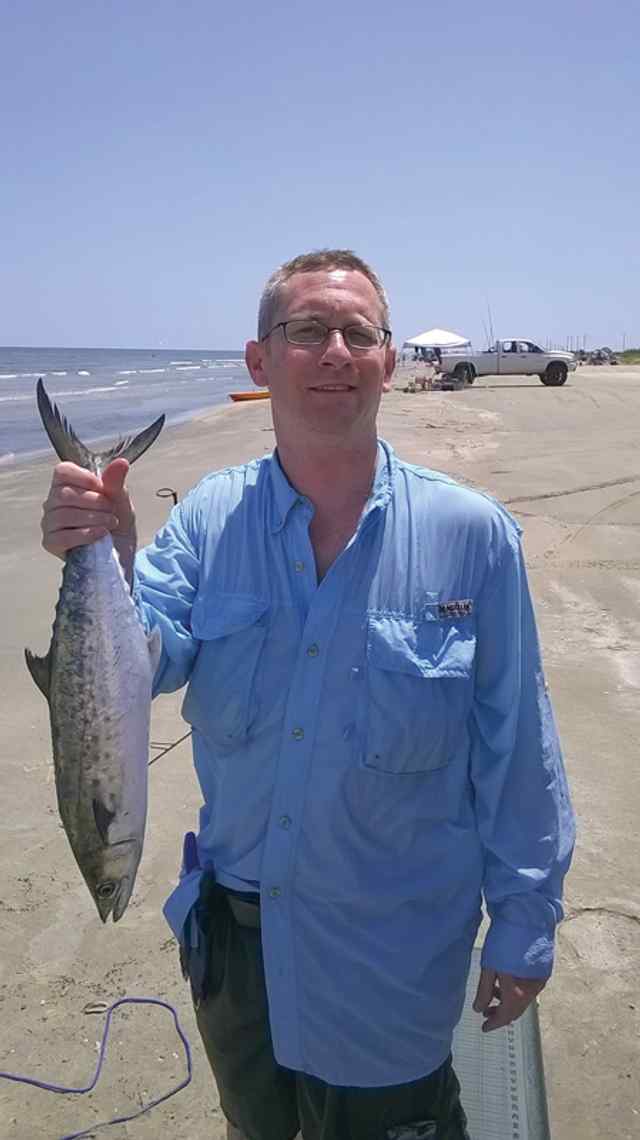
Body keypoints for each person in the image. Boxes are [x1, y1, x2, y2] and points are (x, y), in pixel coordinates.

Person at [41, 249, 575, 1140]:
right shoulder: (209, 520)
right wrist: (110, 550)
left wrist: (525, 925)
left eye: (358, 333)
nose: (335, 351)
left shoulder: (471, 536)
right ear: (259, 362)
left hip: (392, 958)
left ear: (389, 360)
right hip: (235, 962)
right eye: (305, 332)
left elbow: (520, 746)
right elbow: (147, 662)